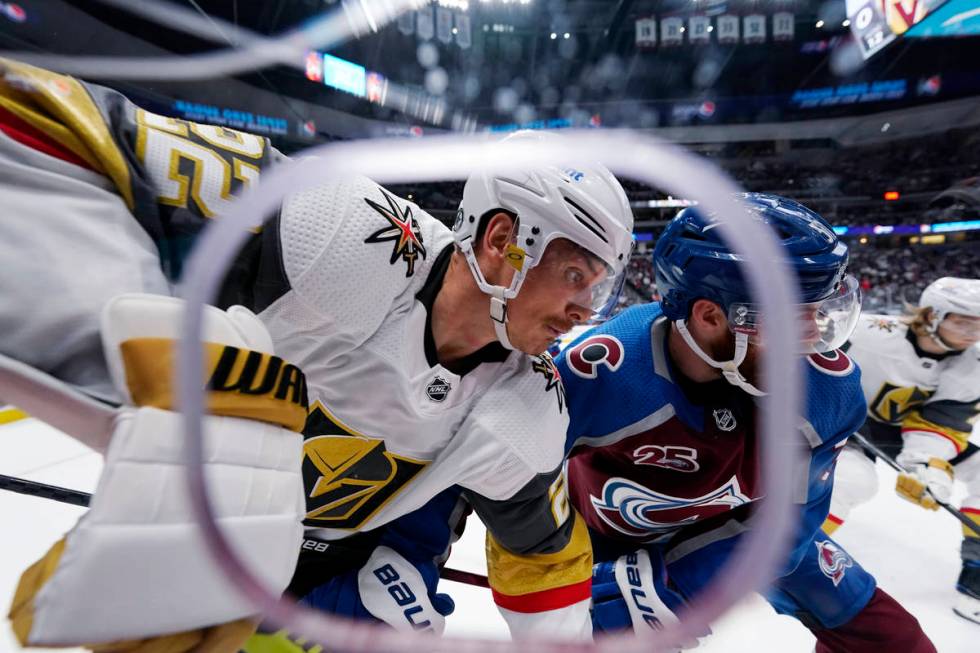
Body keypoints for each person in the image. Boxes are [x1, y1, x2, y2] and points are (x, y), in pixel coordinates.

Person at [0, 57, 634, 650]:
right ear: (504, 240)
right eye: (577, 276)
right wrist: (104, 346)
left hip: (330, 582)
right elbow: (43, 121)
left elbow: (546, 565)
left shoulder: (529, 409)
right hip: (196, 548)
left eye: (600, 286)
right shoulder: (343, 234)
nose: (587, 310)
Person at [554, 195, 936, 651]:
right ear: (710, 316)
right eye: (794, 319)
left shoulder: (829, 391)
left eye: (819, 311)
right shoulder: (602, 372)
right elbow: (506, 474)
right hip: (609, 543)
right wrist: (547, 562)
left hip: (744, 532)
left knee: (894, 641)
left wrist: (680, 581)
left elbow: (788, 526)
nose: (815, 339)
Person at [823, 277, 980, 624]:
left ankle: (976, 571)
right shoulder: (866, 331)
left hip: (906, 432)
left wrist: (928, 467)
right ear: (932, 315)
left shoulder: (973, 364)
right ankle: (789, 556)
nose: (973, 333)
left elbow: (942, 420)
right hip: (845, 423)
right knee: (853, 481)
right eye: (963, 321)